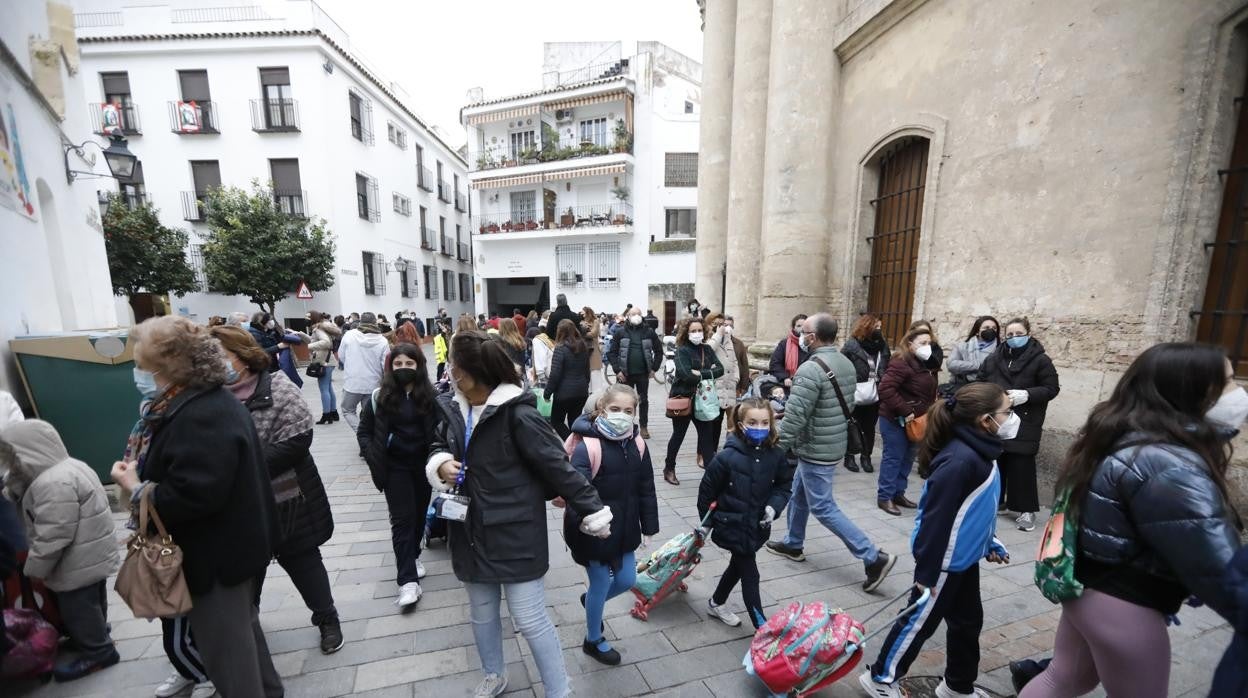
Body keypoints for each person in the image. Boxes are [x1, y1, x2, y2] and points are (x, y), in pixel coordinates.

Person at [1020, 343, 1243, 698]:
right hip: (1123, 600)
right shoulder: (1169, 464)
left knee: (1064, 679)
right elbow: (1221, 567)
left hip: (1087, 586)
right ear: (1192, 391)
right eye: (1229, 383)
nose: (1238, 395)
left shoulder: (1121, 433)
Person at [424, 330, 612, 698]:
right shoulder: (454, 407)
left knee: (529, 619)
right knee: (481, 613)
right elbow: (436, 442)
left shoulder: (519, 415)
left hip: (515, 534)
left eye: (455, 368)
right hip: (469, 531)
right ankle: (494, 674)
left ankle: (559, 689)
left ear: (471, 373)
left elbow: (559, 467)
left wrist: (592, 510)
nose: (450, 374)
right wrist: (442, 462)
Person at [110, 316, 282, 698]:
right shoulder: (204, 402)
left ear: (169, 365)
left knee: (229, 659)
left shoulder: (200, 411)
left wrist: (136, 487)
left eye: (143, 365)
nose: (140, 373)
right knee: (242, 643)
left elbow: (195, 495)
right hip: (230, 551)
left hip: (216, 557)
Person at [859, 382, 1014, 698]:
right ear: (986, 419)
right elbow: (935, 521)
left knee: (968, 623)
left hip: (963, 558)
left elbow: (975, 510)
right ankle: (880, 678)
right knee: (919, 622)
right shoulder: (960, 460)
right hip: (943, 561)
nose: (1011, 417)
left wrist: (991, 542)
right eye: (1007, 412)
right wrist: (927, 574)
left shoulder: (983, 450)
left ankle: (957, 686)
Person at [210, 327, 340, 653]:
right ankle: (246, 625)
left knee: (303, 560)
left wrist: (241, 468)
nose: (215, 363)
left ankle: (327, 618)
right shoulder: (210, 396)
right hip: (239, 506)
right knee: (247, 568)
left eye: (221, 356)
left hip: (288, 498)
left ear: (242, 356)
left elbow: (297, 440)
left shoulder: (278, 386)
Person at [762, 314, 896, 591]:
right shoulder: (844, 362)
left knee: (822, 506)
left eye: (805, 331)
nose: (801, 334)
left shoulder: (810, 369)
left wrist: (773, 449)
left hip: (815, 447)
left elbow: (797, 417)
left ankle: (873, 557)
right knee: (799, 493)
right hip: (831, 442)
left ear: (813, 337)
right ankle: (793, 543)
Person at [2, 419, 120, 681]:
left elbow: (54, 533)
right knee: (92, 603)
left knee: (77, 608)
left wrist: (35, 567)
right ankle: (96, 635)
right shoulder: (66, 468)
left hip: (75, 561)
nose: (12, 465)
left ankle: (99, 653)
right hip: (90, 554)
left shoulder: (52, 483)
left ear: (27, 454)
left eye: (14, 459)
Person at [564, 384, 659, 665]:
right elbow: (576, 491)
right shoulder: (587, 446)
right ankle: (593, 639)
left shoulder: (637, 443)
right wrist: (591, 522)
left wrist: (649, 526)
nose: (621, 415)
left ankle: (592, 600)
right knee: (599, 583)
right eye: (615, 409)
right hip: (593, 530)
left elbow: (646, 487)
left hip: (625, 528)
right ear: (601, 410)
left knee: (627, 579)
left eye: (628, 411)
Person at [698, 398, 793, 629]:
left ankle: (716, 602)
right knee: (751, 574)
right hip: (730, 525)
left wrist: (774, 506)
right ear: (740, 424)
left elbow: (783, 485)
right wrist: (707, 524)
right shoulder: (726, 458)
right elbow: (706, 493)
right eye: (752, 422)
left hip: (756, 525)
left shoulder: (776, 455)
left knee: (738, 565)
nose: (759, 428)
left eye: (764, 423)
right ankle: (764, 630)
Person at [357, 343, 439, 609]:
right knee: (402, 520)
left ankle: (414, 554)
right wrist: (373, 454)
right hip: (394, 469)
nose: (403, 369)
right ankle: (407, 581)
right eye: (398, 364)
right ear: (391, 367)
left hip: (423, 467)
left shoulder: (430, 396)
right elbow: (364, 431)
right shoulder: (379, 396)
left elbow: (441, 428)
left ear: (418, 366)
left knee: (417, 516)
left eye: (409, 364)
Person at [978, 317, 1060, 532]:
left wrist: (1028, 394)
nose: (1014, 338)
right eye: (1010, 335)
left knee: (1021, 464)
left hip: (1025, 418)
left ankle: (1026, 510)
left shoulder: (1041, 360)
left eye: (1019, 334)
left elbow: (1051, 388)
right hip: (997, 417)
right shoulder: (994, 358)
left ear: (1028, 334)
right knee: (998, 460)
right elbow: (981, 381)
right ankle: (999, 502)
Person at [876, 326, 938, 516]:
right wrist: (905, 410)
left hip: (917, 421)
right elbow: (886, 389)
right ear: (910, 344)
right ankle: (885, 497)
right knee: (893, 457)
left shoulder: (927, 363)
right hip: (895, 419)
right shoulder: (900, 362)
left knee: (908, 457)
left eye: (929, 343)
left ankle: (898, 493)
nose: (927, 347)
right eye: (922, 343)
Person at [664, 317, 724, 486]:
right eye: (693, 331)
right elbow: (685, 375)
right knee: (678, 435)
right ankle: (669, 468)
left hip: (703, 400)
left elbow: (720, 369)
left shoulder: (707, 349)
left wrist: (700, 373)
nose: (697, 334)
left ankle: (713, 475)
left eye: (699, 330)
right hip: (684, 398)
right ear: (686, 333)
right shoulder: (682, 350)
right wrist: (706, 372)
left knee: (706, 438)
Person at [841, 314, 889, 474]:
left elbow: (886, 365)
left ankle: (866, 456)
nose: (879, 331)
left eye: (880, 328)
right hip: (855, 391)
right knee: (853, 424)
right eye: (876, 327)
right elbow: (841, 367)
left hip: (875, 392)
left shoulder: (882, 346)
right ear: (867, 327)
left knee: (869, 427)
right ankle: (849, 456)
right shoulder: (851, 345)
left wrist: (882, 378)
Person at [606, 307, 664, 439]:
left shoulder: (649, 332)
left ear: (642, 315)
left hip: (643, 373)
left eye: (638, 314)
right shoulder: (620, 332)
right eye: (633, 314)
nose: (636, 316)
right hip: (624, 374)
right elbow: (611, 352)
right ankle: (624, 426)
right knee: (622, 401)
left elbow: (659, 351)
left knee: (643, 401)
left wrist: (654, 368)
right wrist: (617, 370)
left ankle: (643, 427)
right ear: (628, 316)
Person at [338, 312, 390, 435]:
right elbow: (385, 365)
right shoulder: (382, 340)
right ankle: (366, 437)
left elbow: (341, 356)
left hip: (352, 382)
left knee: (347, 410)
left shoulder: (349, 335)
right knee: (369, 414)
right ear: (375, 323)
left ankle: (361, 434)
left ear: (360, 322)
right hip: (373, 384)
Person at [706, 313, 752, 448]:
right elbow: (708, 352)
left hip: (730, 387)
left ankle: (730, 447)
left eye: (727, 325)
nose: (725, 328)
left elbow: (738, 363)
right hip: (715, 388)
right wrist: (718, 335)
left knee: (732, 421)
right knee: (715, 422)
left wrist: (737, 380)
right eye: (720, 324)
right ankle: (710, 450)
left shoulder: (734, 342)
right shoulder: (708, 339)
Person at [545, 320, 591, 439]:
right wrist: (585, 385)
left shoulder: (560, 348)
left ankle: (572, 445)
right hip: (581, 391)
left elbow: (555, 374)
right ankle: (578, 447)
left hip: (564, 393)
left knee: (557, 421)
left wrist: (547, 393)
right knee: (574, 422)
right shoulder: (583, 346)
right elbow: (587, 371)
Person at [307, 311, 342, 425]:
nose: (306, 319)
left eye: (307, 317)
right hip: (329, 361)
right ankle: (333, 412)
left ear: (313, 318)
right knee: (328, 388)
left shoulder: (318, 329)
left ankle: (326, 415)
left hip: (324, 362)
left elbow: (326, 343)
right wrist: (300, 334)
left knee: (324, 389)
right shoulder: (320, 328)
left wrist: (309, 346)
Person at [946, 316, 1000, 388]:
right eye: (986, 328)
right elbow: (951, 365)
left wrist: (966, 367)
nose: (991, 330)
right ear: (977, 331)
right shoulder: (963, 346)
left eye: (994, 328)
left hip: (990, 389)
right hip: (963, 387)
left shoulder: (1001, 348)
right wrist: (978, 366)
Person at [769, 314, 811, 391]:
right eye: (798, 326)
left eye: (804, 326)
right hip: (789, 385)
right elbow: (775, 363)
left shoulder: (813, 344)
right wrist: (784, 377)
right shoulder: (784, 344)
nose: (801, 329)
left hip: (808, 385)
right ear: (793, 328)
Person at [579, 307, 606, 392]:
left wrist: (582, 333)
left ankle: (596, 393)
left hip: (593, 350)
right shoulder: (581, 322)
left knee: (595, 372)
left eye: (583, 313)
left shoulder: (595, 321)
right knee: (586, 372)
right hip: (584, 350)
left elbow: (594, 334)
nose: (582, 315)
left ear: (588, 312)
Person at [531, 314, 556, 386]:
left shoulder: (538, 339)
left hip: (546, 377)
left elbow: (540, 357)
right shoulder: (553, 339)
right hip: (554, 375)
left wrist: (540, 376)